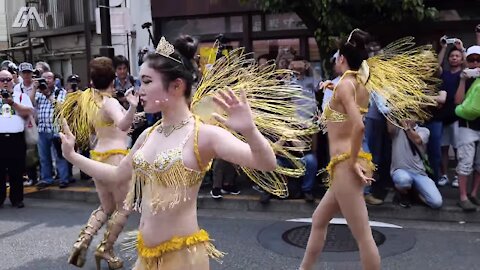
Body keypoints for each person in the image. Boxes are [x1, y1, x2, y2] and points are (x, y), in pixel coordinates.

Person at [60, 36, 316, 270]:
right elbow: (117, 175)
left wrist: (249, 130)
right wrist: (73, 156)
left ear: (176, 86)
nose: (140, 89)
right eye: (141, 81)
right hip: (145, 258)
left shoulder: (202, 134)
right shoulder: (148, 135)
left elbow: (266, 162)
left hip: (183, 259)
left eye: (147, 82)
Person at [299, 29, 438, 270]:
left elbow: (359, 126)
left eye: (336, 58)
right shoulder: (357, 84)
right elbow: (344, 106)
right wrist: (333, 88)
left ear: (342, 59)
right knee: (319, 219)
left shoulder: (346, 86)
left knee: (363, 235)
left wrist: (352, 161)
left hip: (346, 164)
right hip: (344, 164)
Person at [57, 57, 138, 269]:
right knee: (124, 207)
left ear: (92, 80)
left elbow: (101, 128)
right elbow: (122, 125)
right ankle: (106, 248)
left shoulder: (90, 100)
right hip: (115, 158)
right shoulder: (110, 102)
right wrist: (132, 108)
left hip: (98, 155)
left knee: (107, 206)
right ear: (112, 79)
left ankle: (84, 239)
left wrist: (132, 114)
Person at [0, 70, 33, 208]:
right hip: (0, 138)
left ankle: (17, 198)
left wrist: (12, 102)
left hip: (16, 138)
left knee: (17, 170)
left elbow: (28, 111)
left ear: (13, 80)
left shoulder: (21, 96)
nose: (6, 82)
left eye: (8, 79)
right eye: (2, 80)